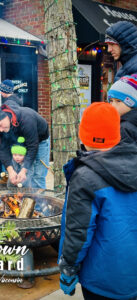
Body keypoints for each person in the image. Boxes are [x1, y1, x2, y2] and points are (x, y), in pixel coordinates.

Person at [58, 102, 137, 300]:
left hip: (101, 277)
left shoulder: (84, 176)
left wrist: (68, 269)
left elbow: (78, 231)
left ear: (82, 136)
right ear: (117, 135)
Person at [0, 103, 50, 189]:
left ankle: (39, 201)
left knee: (38, 175)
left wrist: (24, 170)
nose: (1, 130)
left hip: (39, 141)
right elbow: (2, 149)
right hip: (19, 142)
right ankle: (20, 201)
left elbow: (32, 147)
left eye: (1, 125)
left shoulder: (26, 119)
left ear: (6, 117)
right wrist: (10, 171)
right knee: (15, 173)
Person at [108, 74, 137, 143]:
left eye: (118, 101)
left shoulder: (124, 128)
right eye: (111, 101)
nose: (113, 105)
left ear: (131, 103)